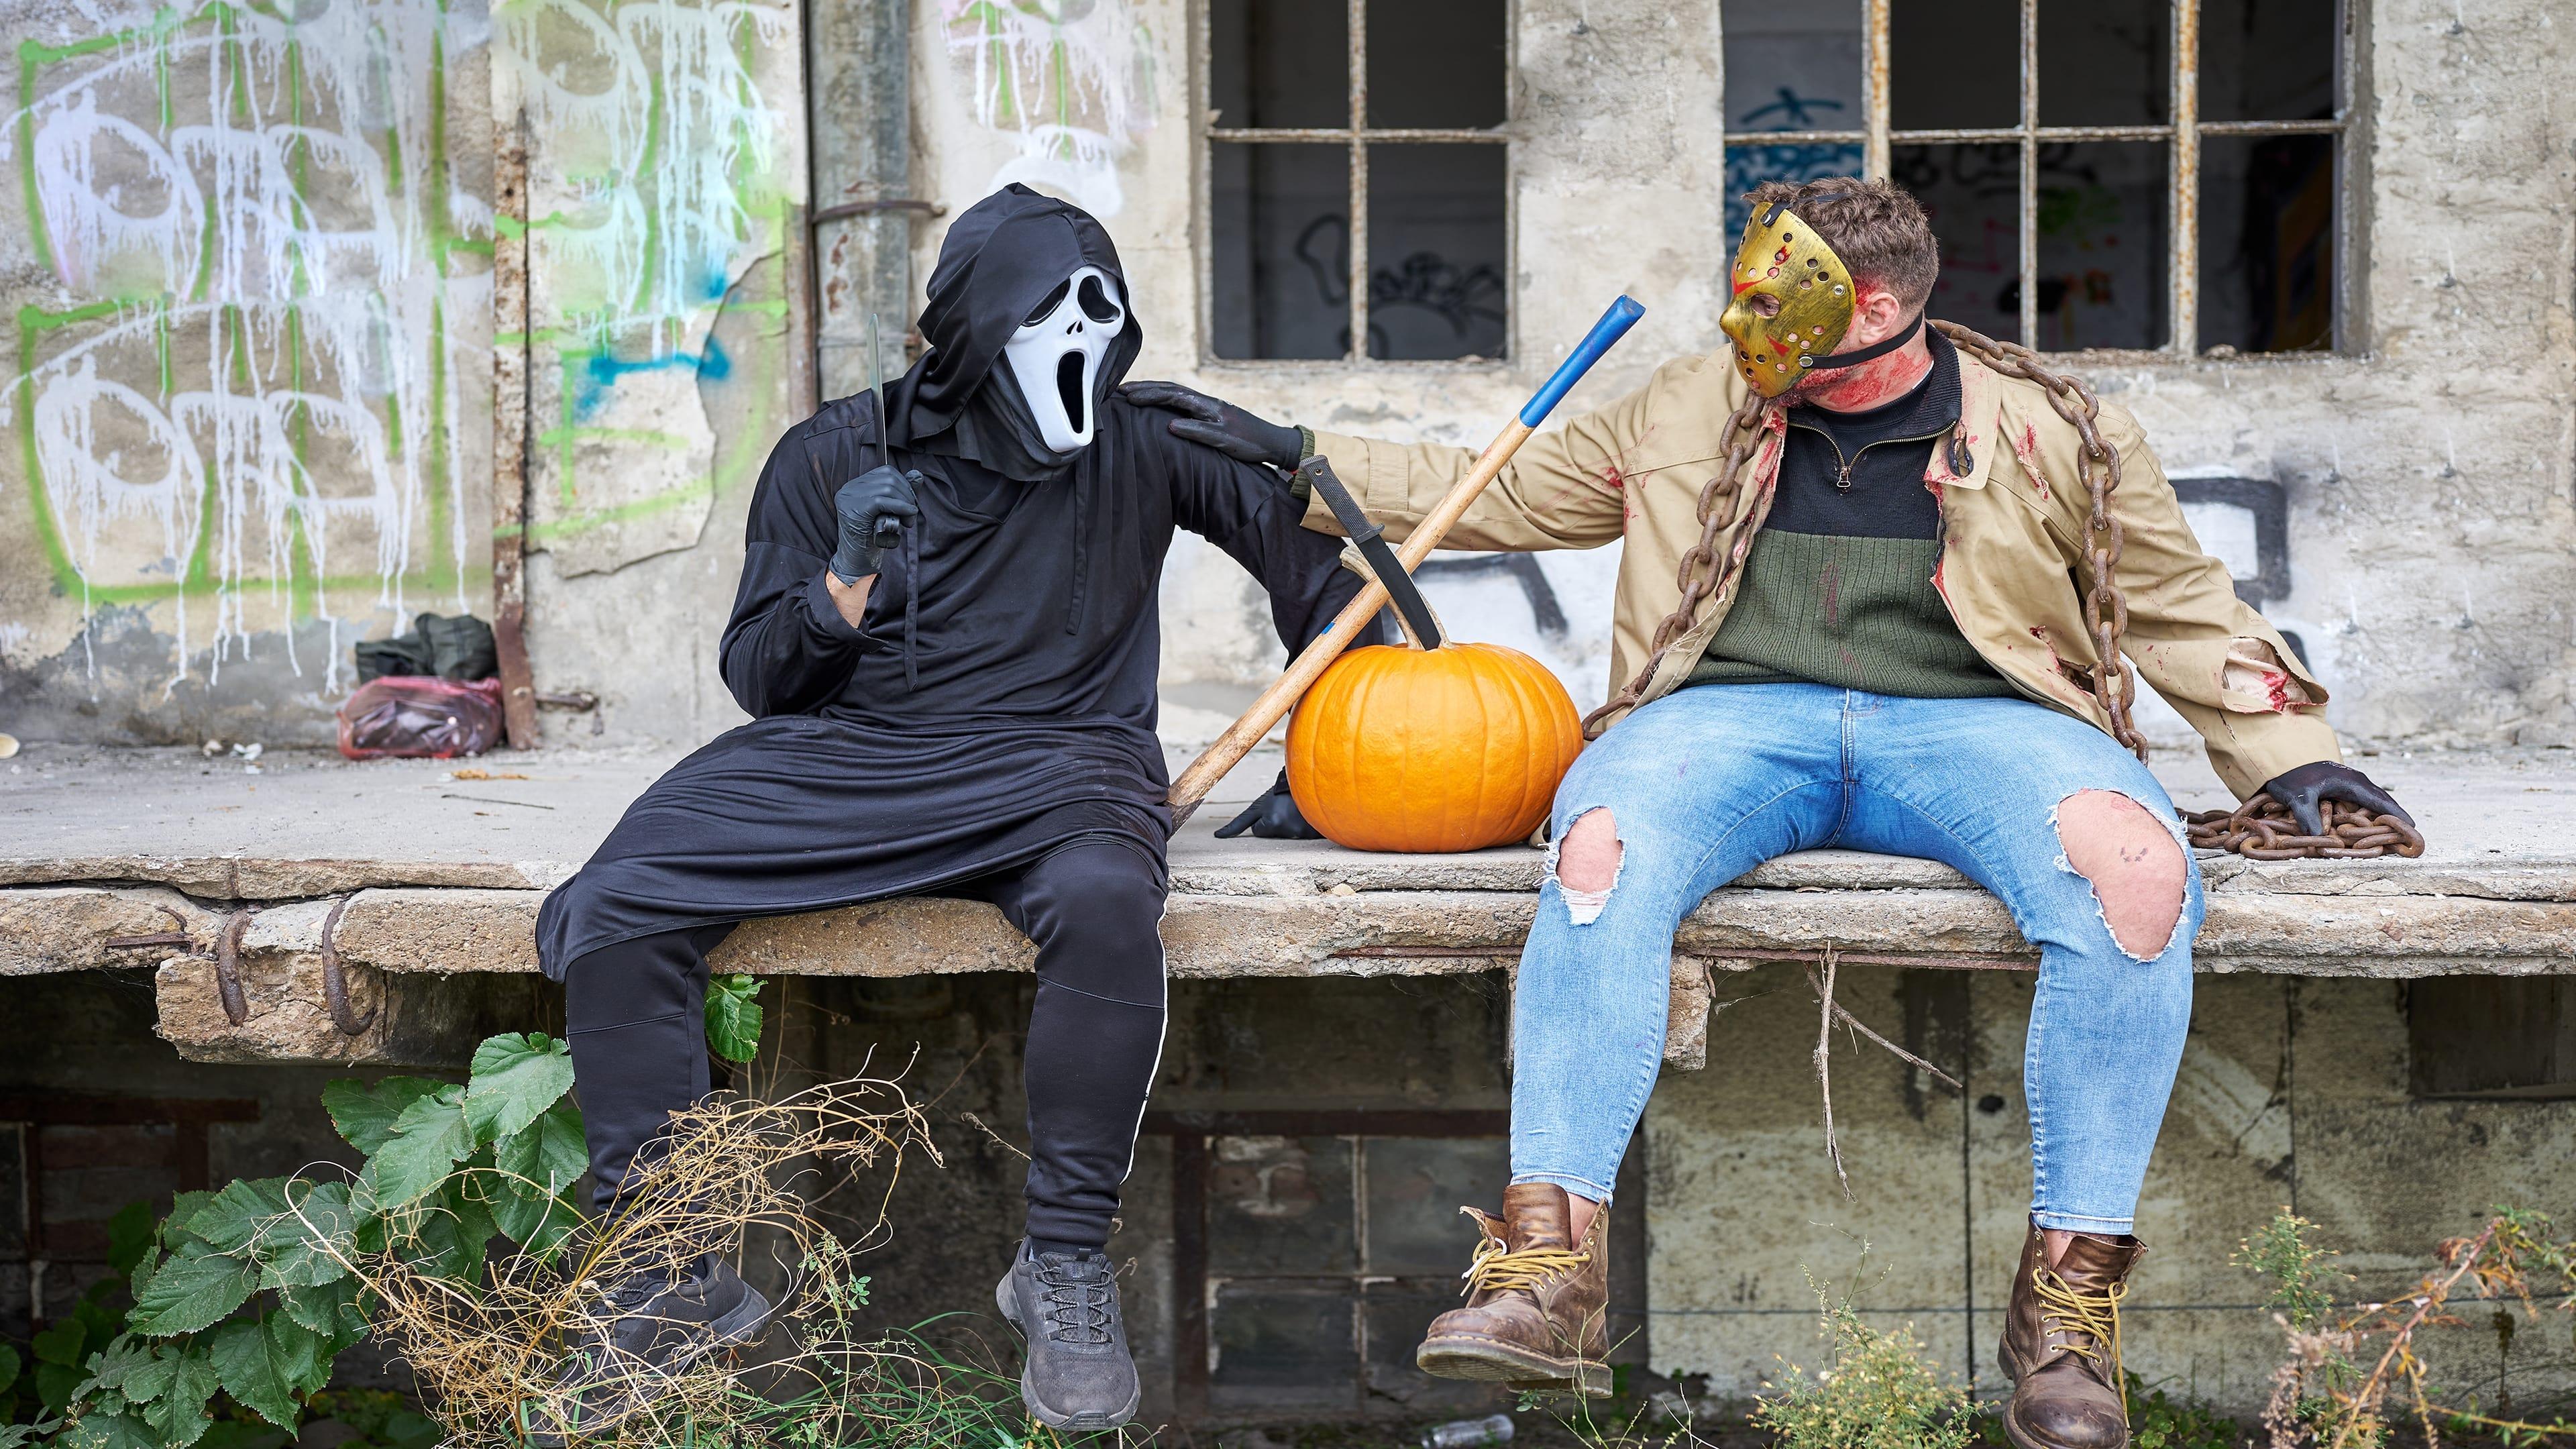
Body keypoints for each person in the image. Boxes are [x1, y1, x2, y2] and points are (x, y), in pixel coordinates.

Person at [1130, 177, 2410, 1449]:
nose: (1751, 335)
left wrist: (2286, 753)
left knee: (2139, 873)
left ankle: (2066, 1318)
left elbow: (2183, 601)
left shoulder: (2053, 429)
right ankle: (1548, 1272)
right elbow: (1491, 490)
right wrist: (1287, 452)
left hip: (1980, 725)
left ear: (1880, 308)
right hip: (1730, 720)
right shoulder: (1694, 405)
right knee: (1599, 849)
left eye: (1780, 309)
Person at [531, 183, 1368, 1437]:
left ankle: (1065, 1262)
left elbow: (1334, 589)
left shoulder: (1147, 440)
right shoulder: (833, 454)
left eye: (1106, 318)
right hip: (855, 758)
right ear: (978, 334)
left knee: (1102, 902)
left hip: (1065, 763)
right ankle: (668, 1264)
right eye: (1054, 322)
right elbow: (764, 678)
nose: (1088, 348)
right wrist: (845, 581)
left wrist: (1332, 750)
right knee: (617, 902)